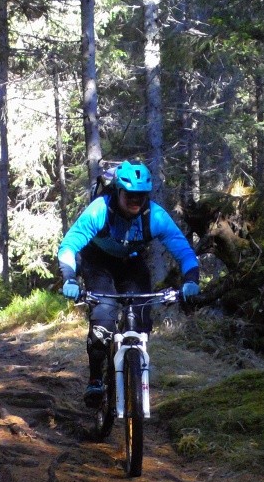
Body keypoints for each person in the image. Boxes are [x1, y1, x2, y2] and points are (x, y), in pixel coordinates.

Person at [57, 160, 200, 407]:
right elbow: (69, 245)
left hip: (131, 263)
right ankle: (96, 379)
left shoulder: (155, 216)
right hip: (97, 262)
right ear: (118, 191)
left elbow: (184, 252)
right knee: (103, 316)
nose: (136, 200)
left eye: (141, 195)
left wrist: (191, 280)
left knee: (141, 317)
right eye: (130, 195)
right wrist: (69, 278)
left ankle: (134, 365)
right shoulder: (100, 210)